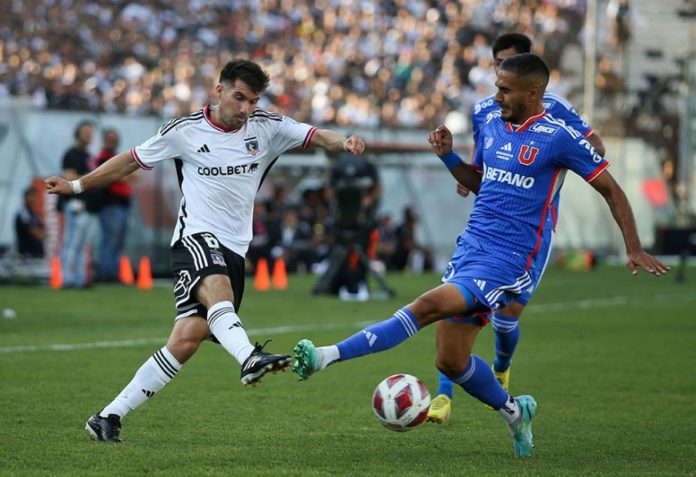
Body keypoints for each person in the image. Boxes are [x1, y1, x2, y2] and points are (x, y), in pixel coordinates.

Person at [292, 54, 669, 458]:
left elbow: (611, 190)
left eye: (505, 89)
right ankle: (515, 413)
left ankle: (326, 357)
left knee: (426, 306)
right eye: (497, 87)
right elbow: (482, 184)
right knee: (450, 362)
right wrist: (450, 157)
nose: (497, 96)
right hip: (471, 247)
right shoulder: (491, 125)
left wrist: (632, 246)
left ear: (533, 91)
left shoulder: (558, 136)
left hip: (511, 260)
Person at [45, 59, 366, 443]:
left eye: (253, 100)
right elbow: (131, 160)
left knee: (187, 338)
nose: (246, 108)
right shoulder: (185, 130)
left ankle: (108, 416)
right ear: (219, 91)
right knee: (219, 293)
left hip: (234, 247)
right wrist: (77, 186)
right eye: (239, 97)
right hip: (195, 238)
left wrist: (344, 141)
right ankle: (249, 357)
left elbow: (316, 136)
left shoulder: (267, 127)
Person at [427, 33, 608, 424]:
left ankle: (502, 365)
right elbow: (485, 156)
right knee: (451, 302)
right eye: (498, 65)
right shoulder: (484, 109)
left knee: (507, 318)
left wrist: (554, 171)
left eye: (511, 63)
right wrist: (466, 172)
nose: (501, 74)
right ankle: (443, 394)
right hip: (489, 221)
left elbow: (596, 147)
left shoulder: (555, 109)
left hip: (533, 227)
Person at [57, 121, 101, 288]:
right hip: (76, 204)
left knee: (84, 245)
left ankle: (81, 279)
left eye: (90, 132)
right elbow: (69, 176)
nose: (88, 135)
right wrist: (90, 179)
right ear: (78, 133)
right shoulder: (71, 154)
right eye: (85, 132)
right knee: (71, 242)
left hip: (90, 206)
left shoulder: (89, 156)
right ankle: (67, 278)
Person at [94, 129, 136, 282]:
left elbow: (133, 177)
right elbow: (117, 177)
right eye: (110, 138)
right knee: (110, 239)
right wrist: (122, 175)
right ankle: (106, 272)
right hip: (110, 204)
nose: (112, 142)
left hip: (122, 203)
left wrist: (123, 175)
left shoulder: (116, 157)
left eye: (114, 139)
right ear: (104, 140)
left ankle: (113, 271)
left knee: (118, 240)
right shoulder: (102, 157)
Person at [15, 186, 46, 258]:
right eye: (30, 196)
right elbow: (37, 234)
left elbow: (44, 230)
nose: (32, 199)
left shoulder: (36, 215)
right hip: (26, 256)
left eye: (34, 196)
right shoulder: (22, 214)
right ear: (25, 197)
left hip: (37, 255)